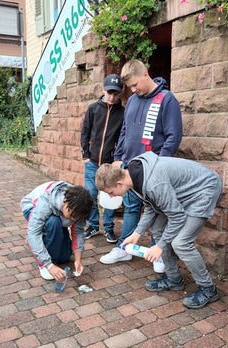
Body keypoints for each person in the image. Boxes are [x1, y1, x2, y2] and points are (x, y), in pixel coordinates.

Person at [96, 152, 222, 309]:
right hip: (182, 192)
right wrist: (136, 234)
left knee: (181, 243)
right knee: (157, 228)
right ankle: (174, 279)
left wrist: (160, 246)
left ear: (119, 183)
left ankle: (208, 289)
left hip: (204, 189)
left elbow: (177, 217)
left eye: (110, 192)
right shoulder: (132, 176)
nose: (112, 196)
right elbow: (151, 205)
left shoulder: (153, 183)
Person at [100, 60, 183, 272]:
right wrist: (118, 157)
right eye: (131, 88)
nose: (134, 90)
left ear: (146, 74)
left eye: (136, 85)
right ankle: (124, 249)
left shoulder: (167, 99)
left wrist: (160, 166)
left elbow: (173, 137)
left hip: (154, 172)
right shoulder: (134, 101)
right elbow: (125, 131)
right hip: (129, 168)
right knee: (131, 208)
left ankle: (159, 254)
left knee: (158, 212)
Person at [81, 73, 125, 243]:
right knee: (91, 194)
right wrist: (85, 155)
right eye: (110, 93)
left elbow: (123, 137)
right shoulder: (93, 108)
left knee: (110, 196)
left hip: (110, 164)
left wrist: (118, 158)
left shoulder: (122, 113)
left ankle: (108, 228)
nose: (112, 97)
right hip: (92, 162)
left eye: (116, 94)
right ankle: (92, 225)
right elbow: (85, 132)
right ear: (103, 89)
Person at [20, 181, 93, 282]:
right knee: (53, 222)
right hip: (32, 206)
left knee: (64, 257)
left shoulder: (80, 205)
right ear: (64, 202)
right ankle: (44, 265)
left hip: (58, 213)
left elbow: (78, 232)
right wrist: (49, 265)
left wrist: (78, 259)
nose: (73, 219)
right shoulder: (45, 202)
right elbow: (32, 234)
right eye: (72, 215)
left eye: (77, 217)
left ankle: (53, 238)